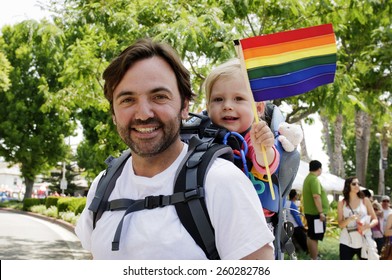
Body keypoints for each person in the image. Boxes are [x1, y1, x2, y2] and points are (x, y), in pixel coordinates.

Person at [75, 38, 275, 260]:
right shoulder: (103, 184)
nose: (143, 114)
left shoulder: (221, 181)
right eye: (127, 99)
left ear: (185, 106)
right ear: (113, 113)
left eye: (159, 97)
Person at [203, 58, 280, 178]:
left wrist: (262, 151)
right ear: (208, 108)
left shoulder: (252, 138)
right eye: (218, 99)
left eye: (238, 98)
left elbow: (268, 164)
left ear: (258, 109)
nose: (227, 106)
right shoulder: (200, 134)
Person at [337, 177, 378, 260]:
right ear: (348, 186)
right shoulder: (342, 203)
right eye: (354, 184)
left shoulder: (365, 200)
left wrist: (367, 226)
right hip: (346, 239)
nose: (357, 185)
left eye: (358, 184)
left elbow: (375, 220)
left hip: (363, 239)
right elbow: (340, 224)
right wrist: (349, 219)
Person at [302, 160, 329, 260]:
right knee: (314, 237)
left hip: (311, 213)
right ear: (319, 169)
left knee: (311, 235)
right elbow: (316, 196)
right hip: (316, 214)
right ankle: (314, 258)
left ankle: (313, 256)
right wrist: (321, 212)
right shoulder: (314, 180)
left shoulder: (308, 178)